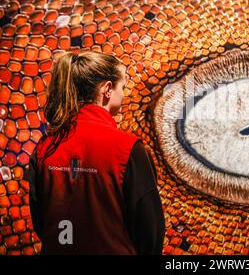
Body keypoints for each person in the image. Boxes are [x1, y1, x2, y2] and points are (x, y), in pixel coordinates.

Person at [24, 51, 165, 255]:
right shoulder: (129, 149)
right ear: (107, 89)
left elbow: (41, 221)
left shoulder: (45, 147)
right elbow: (150, 231)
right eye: (122, 88)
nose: (124, 95)